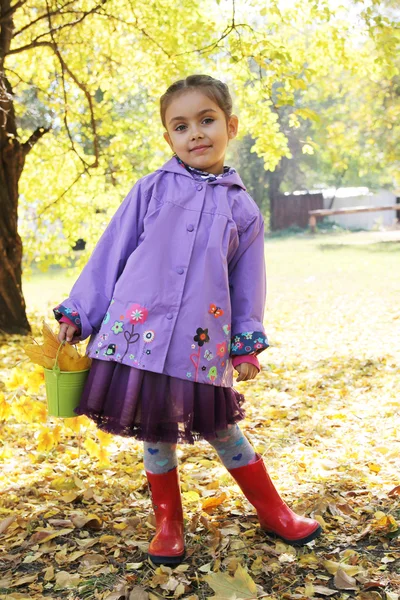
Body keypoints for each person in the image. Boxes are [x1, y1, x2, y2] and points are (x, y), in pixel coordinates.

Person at [54, 74, 321, 565]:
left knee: (224, 430)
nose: (195, 133)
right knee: (156, 434)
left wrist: (246, 341)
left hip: (199, 344)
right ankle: (168, 524)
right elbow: (111, 253)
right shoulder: (150, 190)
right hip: (138, 334)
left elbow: (248, 282)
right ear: (168, 138)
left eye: (206, 120)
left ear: (230, 125)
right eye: (181, 126)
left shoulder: (242, 208)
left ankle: (275, 512)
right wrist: (81, 312)